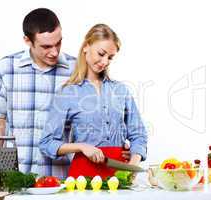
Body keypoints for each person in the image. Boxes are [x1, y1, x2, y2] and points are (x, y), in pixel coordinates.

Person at [39, 24, 147, 178]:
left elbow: (139, 134)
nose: (105, 62)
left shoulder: (121, 90)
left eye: (110, 57)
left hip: (120, 172)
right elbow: (47, 142)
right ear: (86, 47)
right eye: (101, 53)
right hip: (84, 173)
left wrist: (132, 166)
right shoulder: (68, 93)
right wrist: (82, 147)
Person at [0, 8, 76, 179]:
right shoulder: (7, 68)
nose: (54, 52)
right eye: (46, 46)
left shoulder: (76, 70)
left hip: (60, 180)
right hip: (14, 177)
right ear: (28, 40)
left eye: (58, 43)